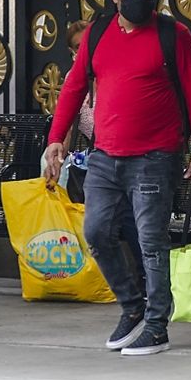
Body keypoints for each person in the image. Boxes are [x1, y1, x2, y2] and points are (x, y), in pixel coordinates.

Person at [44, 0, 191, 357]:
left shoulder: (174, 34)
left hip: (155, 157)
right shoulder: (98, 35)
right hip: (105, 157)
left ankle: (157, 325)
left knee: (151, 242)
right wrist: (56, 140)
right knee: (98, 233)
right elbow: (73, 87)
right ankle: (132, 307)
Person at [62, 20, 143, 286]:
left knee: (131, 215)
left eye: (86, 43)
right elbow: (67, 120)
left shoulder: (115, 69)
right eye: (77, 46)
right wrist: (56, 154)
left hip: (131, 156)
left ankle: (147, 279)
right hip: (98, 162)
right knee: (98, 223)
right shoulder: (75, 78)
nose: (82, 49)